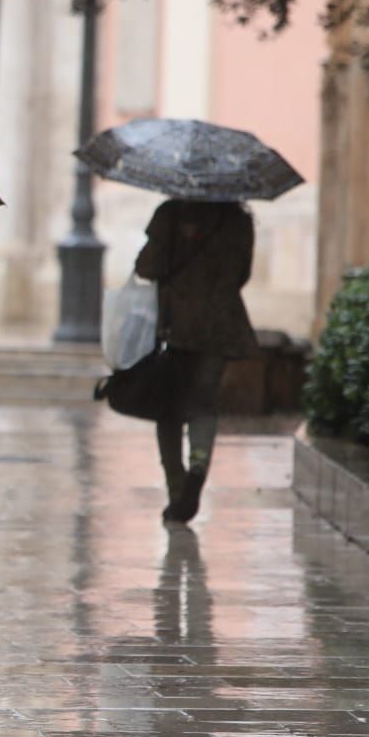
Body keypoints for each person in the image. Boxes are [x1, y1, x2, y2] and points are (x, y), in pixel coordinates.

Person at [135, 198, 258, 525]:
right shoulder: (239, 218)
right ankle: (198, 471)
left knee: (169, 408)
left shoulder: (171, 213)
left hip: (177, 325)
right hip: (222, 325)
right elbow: (242, 274)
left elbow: (147, 267)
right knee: (204, 401)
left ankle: (176, 486)